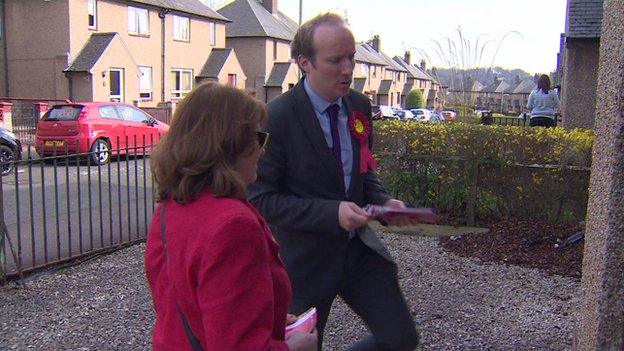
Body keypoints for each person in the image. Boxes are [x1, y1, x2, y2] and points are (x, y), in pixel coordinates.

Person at [247, 13, 420, 351]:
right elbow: (261, 200)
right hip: (303, 262)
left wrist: (384, 202)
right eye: (335, 60)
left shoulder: (359, 106)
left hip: (358, 251)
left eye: (351, 58)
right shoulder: (276, 118)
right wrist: (332, 213)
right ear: (304, 63)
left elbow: (364, 171)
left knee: (400, 339)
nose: (347, 69)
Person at [145, 82, 317, 351]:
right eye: (257, 138)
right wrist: (294, 348)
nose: (262, 149)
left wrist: (263, 316)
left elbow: (185, 302)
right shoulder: (233, 225)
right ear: (230, 144)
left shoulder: (170, 207)